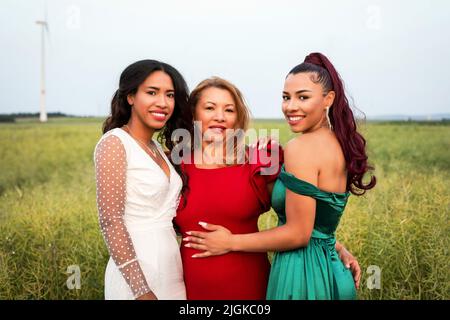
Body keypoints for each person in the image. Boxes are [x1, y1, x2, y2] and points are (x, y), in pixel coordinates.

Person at [184, 53, 375, 300]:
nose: (291, 106)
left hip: (303, 276)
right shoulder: (337, 143)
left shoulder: (301, 147)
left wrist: (230, 242)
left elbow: (298, 233)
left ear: (328, 99)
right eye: (286, 97)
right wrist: (337, 247)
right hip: (330, 268)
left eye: (303, 97)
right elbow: (317, 223)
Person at [94, 59, 190, 300]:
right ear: (130, 96)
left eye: (169, 95)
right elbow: (111, 220)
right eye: (151, 92)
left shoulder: (156, 148)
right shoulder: (115, 143)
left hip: (172, 271)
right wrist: (141, 291)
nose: (163, 102)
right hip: (136, 278)